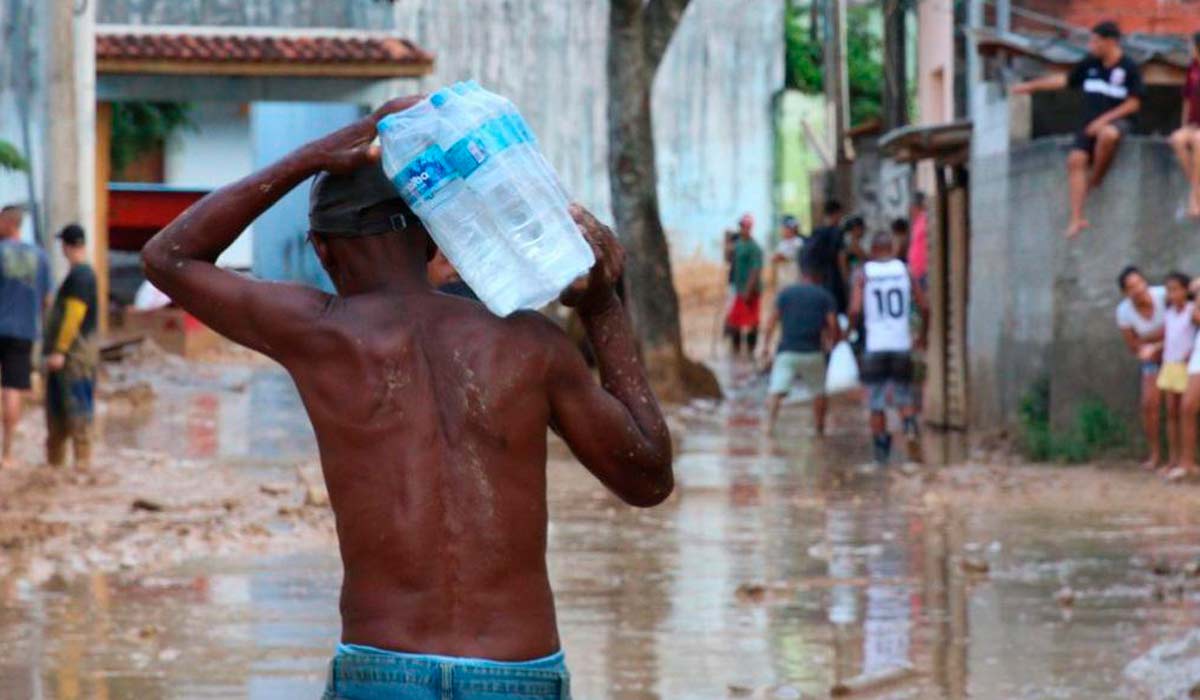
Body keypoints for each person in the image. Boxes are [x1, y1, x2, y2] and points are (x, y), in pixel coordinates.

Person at [141, 97, 673, 699]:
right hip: (517, 672)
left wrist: (308, 157)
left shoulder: (321, 334)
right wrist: (603, 305)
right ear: (433, 239)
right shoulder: (530, 345)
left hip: (383, 669)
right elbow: (648, 478)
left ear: (322, 249)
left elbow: (169, 257)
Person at [1012, 21, 1143, 239]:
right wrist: (1032, 86)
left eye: (1096, 41)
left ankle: (1097, 178)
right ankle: (1076, 217)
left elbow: (1134, 103)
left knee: (1108, 135)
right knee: (1075, 160)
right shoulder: (1090, 64)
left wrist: (1104, 120)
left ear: (1110, 42)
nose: (1092, 45)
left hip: (1117, 122)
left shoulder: (1129, 67)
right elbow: (1065, 80)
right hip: (1089, 123)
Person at [849, 232, 928, 465]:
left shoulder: (864, 274)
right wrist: (922, 335)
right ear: (892, 248)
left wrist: (853, 333)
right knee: (904, 396)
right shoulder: (906, 271)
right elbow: (924, 306)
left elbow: (854, 309)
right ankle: (911, 431)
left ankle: (881, 456)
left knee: (876, 402)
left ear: (873, 251)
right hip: (901, 344)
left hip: (875, 345)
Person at [760, 261, 839, 434]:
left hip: (787, 352)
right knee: (819, 392)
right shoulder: (825, 296)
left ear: (802, 276)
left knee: (776, 390)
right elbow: (833, 325)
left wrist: (765, 347)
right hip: (813, 352)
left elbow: (771, 322)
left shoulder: (785, 294)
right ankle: (819, 429)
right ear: (818, 278)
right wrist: (832, 345)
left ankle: (768, 427)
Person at [43, 225, 98, 469]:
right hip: (70, 355)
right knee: (58, 413)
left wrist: (59, 351)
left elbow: (74, 315)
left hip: (74, 356)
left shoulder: (81, 276)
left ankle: (82, 466)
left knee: (77, 410)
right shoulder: (79, 275)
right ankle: (58, 466)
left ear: (66, 246)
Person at [0, 204, 50, 469]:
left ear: (8, 223)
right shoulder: (40, 257)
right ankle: (6, 453)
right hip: (23, 332)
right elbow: (47, 300)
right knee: (13, 389)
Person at [1115, 266, 1166, 471]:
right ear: (1125, 293)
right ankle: (1154, 454)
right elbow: (1133, 346)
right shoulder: (1123, 311)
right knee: (1148, 404)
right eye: (1131, 287)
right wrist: (1152, 344)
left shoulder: (1163, 294)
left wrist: (1149, 339)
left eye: (1139, 283)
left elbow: (1177, 326)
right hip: (1151, 359)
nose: (1137, 289)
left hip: (1179, 354)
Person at [1156, 272, 1194, 474]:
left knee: (1185, 412)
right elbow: (1168, 337)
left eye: (1176, 289)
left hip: (1185, 367)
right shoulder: (1169, 313)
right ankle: (1173, 458)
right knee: (1171, 413)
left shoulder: (1192, 311)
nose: (1172, 294)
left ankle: (1186, 460)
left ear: (1186, 290)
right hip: (1169, 365)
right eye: (1169, 291)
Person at [1169, 33, 1200, 218]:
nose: (1190, 50)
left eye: (1192, 46)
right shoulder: (1193, 68)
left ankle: (1194, 198)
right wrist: (1185, 125)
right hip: (1195, 123)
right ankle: (1197, 190)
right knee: (1177, 139)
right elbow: (1187, 99)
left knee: (1198, 140)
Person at [726, 213, 763, 357]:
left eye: (747, 227)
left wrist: (749, 290)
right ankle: (736, 350)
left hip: (750, 290)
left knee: (752, 321)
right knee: (735, 320)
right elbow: (729, 260)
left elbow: (756, 269)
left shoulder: (754, 248)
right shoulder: (737, 245)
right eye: (742, 226)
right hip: (738, 288)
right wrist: (727, 245)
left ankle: (750, 350)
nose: (744, 229)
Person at [804, 200, 847, 314]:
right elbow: (840, 258)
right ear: (837, 213)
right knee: (836, 310)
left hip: (819, 278)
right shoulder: (837, 232)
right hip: (834, 277)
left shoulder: (816, 231)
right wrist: (845, 280)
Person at [772, 215, 804, 291]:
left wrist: (778, 257)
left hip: (794, 279)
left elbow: (780, 257)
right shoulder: (782, 243)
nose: (782, 230)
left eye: (785, 228)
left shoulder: (798, 242)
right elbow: (775, 258)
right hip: (783, 280)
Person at [907, 193, 929, 289]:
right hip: (916, 272)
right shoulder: (917, 221)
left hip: (923, 271)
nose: (909, 211)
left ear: (915, 207)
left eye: (911, 207)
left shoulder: (925, 220)